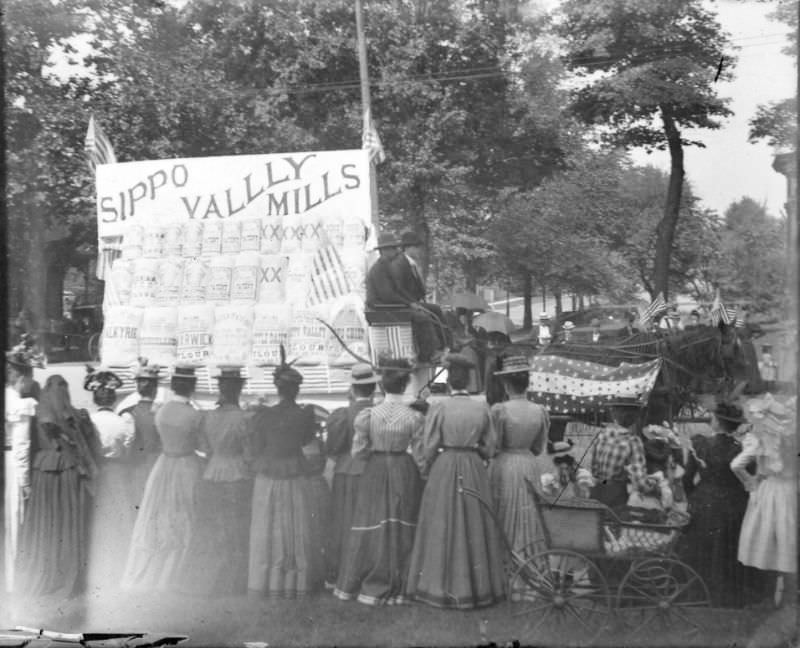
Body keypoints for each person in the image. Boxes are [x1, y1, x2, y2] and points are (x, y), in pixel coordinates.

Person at [406, 354, 504, 609]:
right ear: (469, 380)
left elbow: (429, 446)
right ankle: (476, 587)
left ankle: (438, 585)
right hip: (472, 465)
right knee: (473, 522)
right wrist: (478, 453)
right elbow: (490, 447)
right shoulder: (481, 407)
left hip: (446, 464)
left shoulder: (439, 407)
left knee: (441, 522)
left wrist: (426, 466)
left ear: (449, 380)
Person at [334, 358, 425, 606]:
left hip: (375, 468)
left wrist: (374, 454)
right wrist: (423, 471)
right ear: (406, 385)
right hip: (403, 468)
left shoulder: (368, 415)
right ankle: (401, 578)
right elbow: (420, 455)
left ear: (382, 386)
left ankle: (366, 579)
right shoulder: (414, 417)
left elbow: (358, 452)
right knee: (401, 521)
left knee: (373, 522)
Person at [16, 375, 100, 597]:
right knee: (67, 521)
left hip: (45, 473)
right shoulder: (76, 414)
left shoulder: (40, 412)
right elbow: (87, 445)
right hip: (70, 472)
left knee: (47, 522)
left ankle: (44, 572)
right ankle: (68, 573)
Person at [246, 353, 323, 598]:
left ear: (277, 388)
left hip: (268, 477)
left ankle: (265, 582)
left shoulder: (263, 415)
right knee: (295, 529)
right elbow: (308, 444)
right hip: (294, 476)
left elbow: (255, 448)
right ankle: (295, 583)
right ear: (296, 390)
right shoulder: (304, 415)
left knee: (268, 529)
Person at [121, 366, 204, 592]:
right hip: (186, 465)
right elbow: (201, 445)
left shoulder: (162, 411)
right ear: (192, 387)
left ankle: (156, 571)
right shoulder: (194, 415)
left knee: (158, 516)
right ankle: (178, 574)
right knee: (184, 515)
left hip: (164, 465)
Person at [179, 367, 253, 596]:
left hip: (211, 474)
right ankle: (234, 583)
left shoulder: (208, 417)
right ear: (239, 389)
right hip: (237, 475)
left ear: (221, 389)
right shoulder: (244, 418)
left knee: (212, 529)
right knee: (236, 530)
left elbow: (205, 449)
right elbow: (249, 454)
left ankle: (207, 582)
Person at [680, 402, 750, 608]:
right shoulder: (741, 449)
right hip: (733, 504)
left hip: (704, 502)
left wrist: (695, 498)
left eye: (713, 417)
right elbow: (747, 480)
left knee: (701, 549)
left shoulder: (700, 445)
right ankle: (726, 598)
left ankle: (698, 595)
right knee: (727, 550)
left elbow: (686, 479)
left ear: (717, 422)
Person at [732, 396, 797, 607]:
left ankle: (767, 597)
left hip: (770, 492)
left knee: (767, 540)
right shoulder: (792, 438)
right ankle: (788, 598)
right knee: (788, 541)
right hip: (792, 491)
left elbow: (737, 465)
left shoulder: (762, 437)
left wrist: (751, 481)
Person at [487, 355, 549, 563]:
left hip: (505, 465)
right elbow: (539, 447)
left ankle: (505, 565)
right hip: (529, 464)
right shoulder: (539, 411)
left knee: (504, 513)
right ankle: (528, 564)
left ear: (506, 384)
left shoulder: (500, 410)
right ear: (527, 383)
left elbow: (494, 446)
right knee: (528, 515)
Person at [325, 363, 379, 587]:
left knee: (344, 522)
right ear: (374, 388)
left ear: (352, 388)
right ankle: (368, 569)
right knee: (370, 522)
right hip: (372, 470)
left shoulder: (343, 414)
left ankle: (341, 572)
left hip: (346, 471)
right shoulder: (379, 413)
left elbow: (334, 448)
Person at [84, 366, 136, 593]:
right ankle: (119, 566)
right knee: (120, 516)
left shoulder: (90, 421)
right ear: (113, 398)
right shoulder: (124, 421)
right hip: (118, 471)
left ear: (95, 397)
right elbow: (129, 448)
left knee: (97, 516)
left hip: (97, 470)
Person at [366, 232, 441, 363]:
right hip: (382, 310)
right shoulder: (378, 269)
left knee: (425, 312)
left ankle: (436, 349)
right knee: (422, 318)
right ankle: (427, 355)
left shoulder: (386, 266)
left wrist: (411, 302)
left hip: (389, 307)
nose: (396, 251)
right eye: (393, 249)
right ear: (384, 251)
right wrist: (409, 304)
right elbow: (388, 295)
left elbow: (397, 291)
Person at [4, 347, 38, 593]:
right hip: (12, 464)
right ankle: (14, 583)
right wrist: (26, 481)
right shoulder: (21, 404)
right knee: (15, 520)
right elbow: (22, 446)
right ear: (22, 376)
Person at [391, 231, 450, 350]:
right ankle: (443, 346)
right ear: (408, 248)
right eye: (416, 247)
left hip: (413, 301)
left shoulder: (410, 263)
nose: (419, 250)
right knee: (435, 310)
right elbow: (399, 288)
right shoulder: (399, 264)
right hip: (406, 304)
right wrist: (411, 303)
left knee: (436, 309)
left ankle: (444, 343)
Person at [118, 359, 162, 508]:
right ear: (156, 387)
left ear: (138, 387)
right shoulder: (164, 412)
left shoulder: (127, 412)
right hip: (160, 467)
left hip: (136, 466)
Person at [589, 403, 647, 508]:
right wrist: (657, 483)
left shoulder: (602, 434)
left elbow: (594, 470)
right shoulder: (633, 441)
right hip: (616, 497)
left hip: (597, 490)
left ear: (614, 413)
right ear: (635, 415)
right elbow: (640, 483)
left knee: (597, 521)